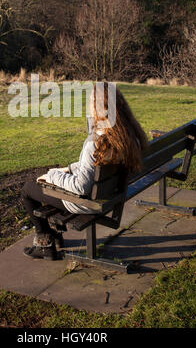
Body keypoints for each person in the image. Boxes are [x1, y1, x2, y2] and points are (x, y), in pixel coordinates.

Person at [21, 83, 148, 260]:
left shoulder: (96, 143)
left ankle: (45, 243)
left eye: (90, 102)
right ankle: (53, 236)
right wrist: (68, 169)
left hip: (87, 203)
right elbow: (96, 166)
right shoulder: (126, 135)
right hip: (111, 194)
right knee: (47, 183)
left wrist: (52, 176)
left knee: (28, 189)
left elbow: (81, 187)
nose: (87, 106)